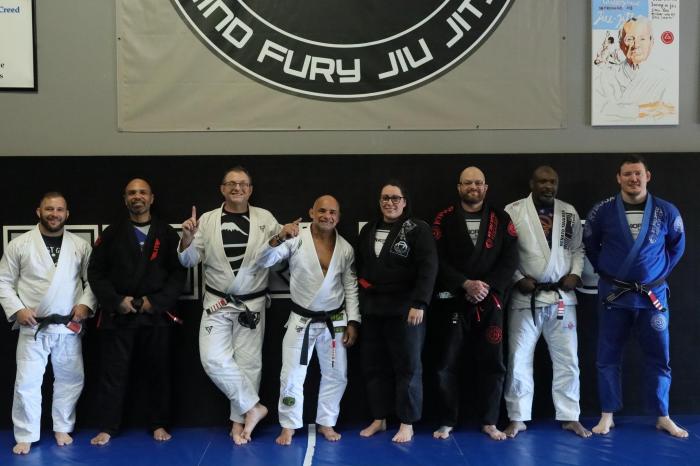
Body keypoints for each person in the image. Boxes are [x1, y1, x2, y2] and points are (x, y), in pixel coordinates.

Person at [583, 155, 687, 438]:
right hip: (614, 295)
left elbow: (677, 247)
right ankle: (607, 414)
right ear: (619, 178)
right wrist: (607, 272)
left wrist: (657, 273)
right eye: (627, 174)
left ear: (647, 176)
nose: (633, 179)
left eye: (638, 173)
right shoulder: (602, 211)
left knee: (660, 356)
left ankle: (662, 415)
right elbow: (590, 244)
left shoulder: (666, 211)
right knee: (607, 355)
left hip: (653, 296)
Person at [178, 166, 279, 444]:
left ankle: (239, 423)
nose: (237, 188)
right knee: (212, 358)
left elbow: (277, 256)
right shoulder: (208, 220)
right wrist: (187, 238)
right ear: (222, 189)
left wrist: (282, 238)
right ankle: (253, 407)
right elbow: (188, 260)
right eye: (231, 183)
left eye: (243, 184)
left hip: (251, 303)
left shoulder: (265, 218)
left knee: (248, 363)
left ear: (251, 189)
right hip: (217, 302)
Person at [88, 178, 186, 445]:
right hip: (119, 315)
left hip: (156, 315)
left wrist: (156, 302)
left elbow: (178, 274)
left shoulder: (167, 233)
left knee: (159, 371)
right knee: (113, 373)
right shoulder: (111, 234)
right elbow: (96, 273)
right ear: (125, 199)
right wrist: (116, 300)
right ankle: (108, 426)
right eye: (132, 193)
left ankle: (159, 423)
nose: (137, 197)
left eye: (142, 192)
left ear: (152, 198)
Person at [256, 195, 360, 445]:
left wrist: (353, 322)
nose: (327, 216)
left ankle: (327, 422)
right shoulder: (295, 238)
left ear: (338, 217)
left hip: (335, 319)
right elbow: (263, 260)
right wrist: (280, 237)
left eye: (332, 212)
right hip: (301, 319)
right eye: (322, 211)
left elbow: (350, 286)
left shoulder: (345, 248)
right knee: (291, 374)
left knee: (337, 374)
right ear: (311, 213)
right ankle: (289, 425)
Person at [0, 192, 96, 455]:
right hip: (33, 326)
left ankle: (62, 426)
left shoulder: (80, 245)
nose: (54, 214)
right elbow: (3, 281)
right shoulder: (20, 245)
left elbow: (93, 281)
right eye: (49, 209)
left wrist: (85, 304)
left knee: (70, 378)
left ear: (67, 214)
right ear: (39, 211)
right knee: (26, 382)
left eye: (59, 210)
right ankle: (26, 433)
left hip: (68, 325)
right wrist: (17, 309)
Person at [502, 166, 591, 438]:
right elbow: (505, 252)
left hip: (562, 297)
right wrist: (517, 278)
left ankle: (570, 415)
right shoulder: (513, 211)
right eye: (542, 181)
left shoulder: (568, 212)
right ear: (532, 183)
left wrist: (576, 273)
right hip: (525, 299)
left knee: (568, 359)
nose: (547, 186)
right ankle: (518, 417)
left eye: (552, 181)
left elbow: (577, 248)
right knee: (518, 359)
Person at [431, 167, 518, 441]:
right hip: (454, 301)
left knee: (493, 364)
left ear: (486, 187)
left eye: (478, 183)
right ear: (459, 187)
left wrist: (486, 286)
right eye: (468, 183)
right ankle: (447, 420)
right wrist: (464, 284)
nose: (473, 187)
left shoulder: (501, 218)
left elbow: (510, 259)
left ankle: (490, 421)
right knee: (446, 364)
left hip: (490, 301)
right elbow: (436, 258)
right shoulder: (444, 218)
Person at [355, 181, 438, 443]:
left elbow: (429, 267)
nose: (389, 202)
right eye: (385, 198)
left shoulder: (417, 228)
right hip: (373, 307)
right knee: (374, 365)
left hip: (406, 307)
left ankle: (407, 422)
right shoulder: (368, 229)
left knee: (408, 366)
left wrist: (420, 303)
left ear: (404, 202)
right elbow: (360, 266)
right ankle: (379, 418)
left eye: (395, 198)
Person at [593, 16, 675, 122]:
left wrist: (617, 110)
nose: (636, 45)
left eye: (642, 39)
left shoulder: (664, 79)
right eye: (630, 39)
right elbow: (598, 111)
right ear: (621, 44)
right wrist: (644, 110)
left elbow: (669, 115)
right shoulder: (606, 76)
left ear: (651, 42)